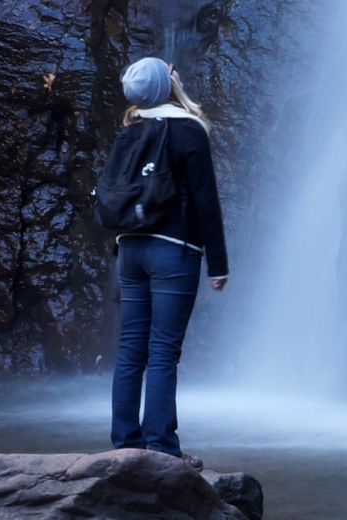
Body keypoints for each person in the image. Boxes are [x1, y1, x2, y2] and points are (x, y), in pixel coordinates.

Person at [108, 57, 228, 470]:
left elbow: (116, 195)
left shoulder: (130, 130)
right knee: (162, 351)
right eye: (171, 71)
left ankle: (126, 442)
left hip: (130, 250)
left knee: (130, 350)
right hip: (173, 250)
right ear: (166, 85)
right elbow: (205, 200)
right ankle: (160, 447)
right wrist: (219, 264)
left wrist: (121, 250)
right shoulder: (188, 130)